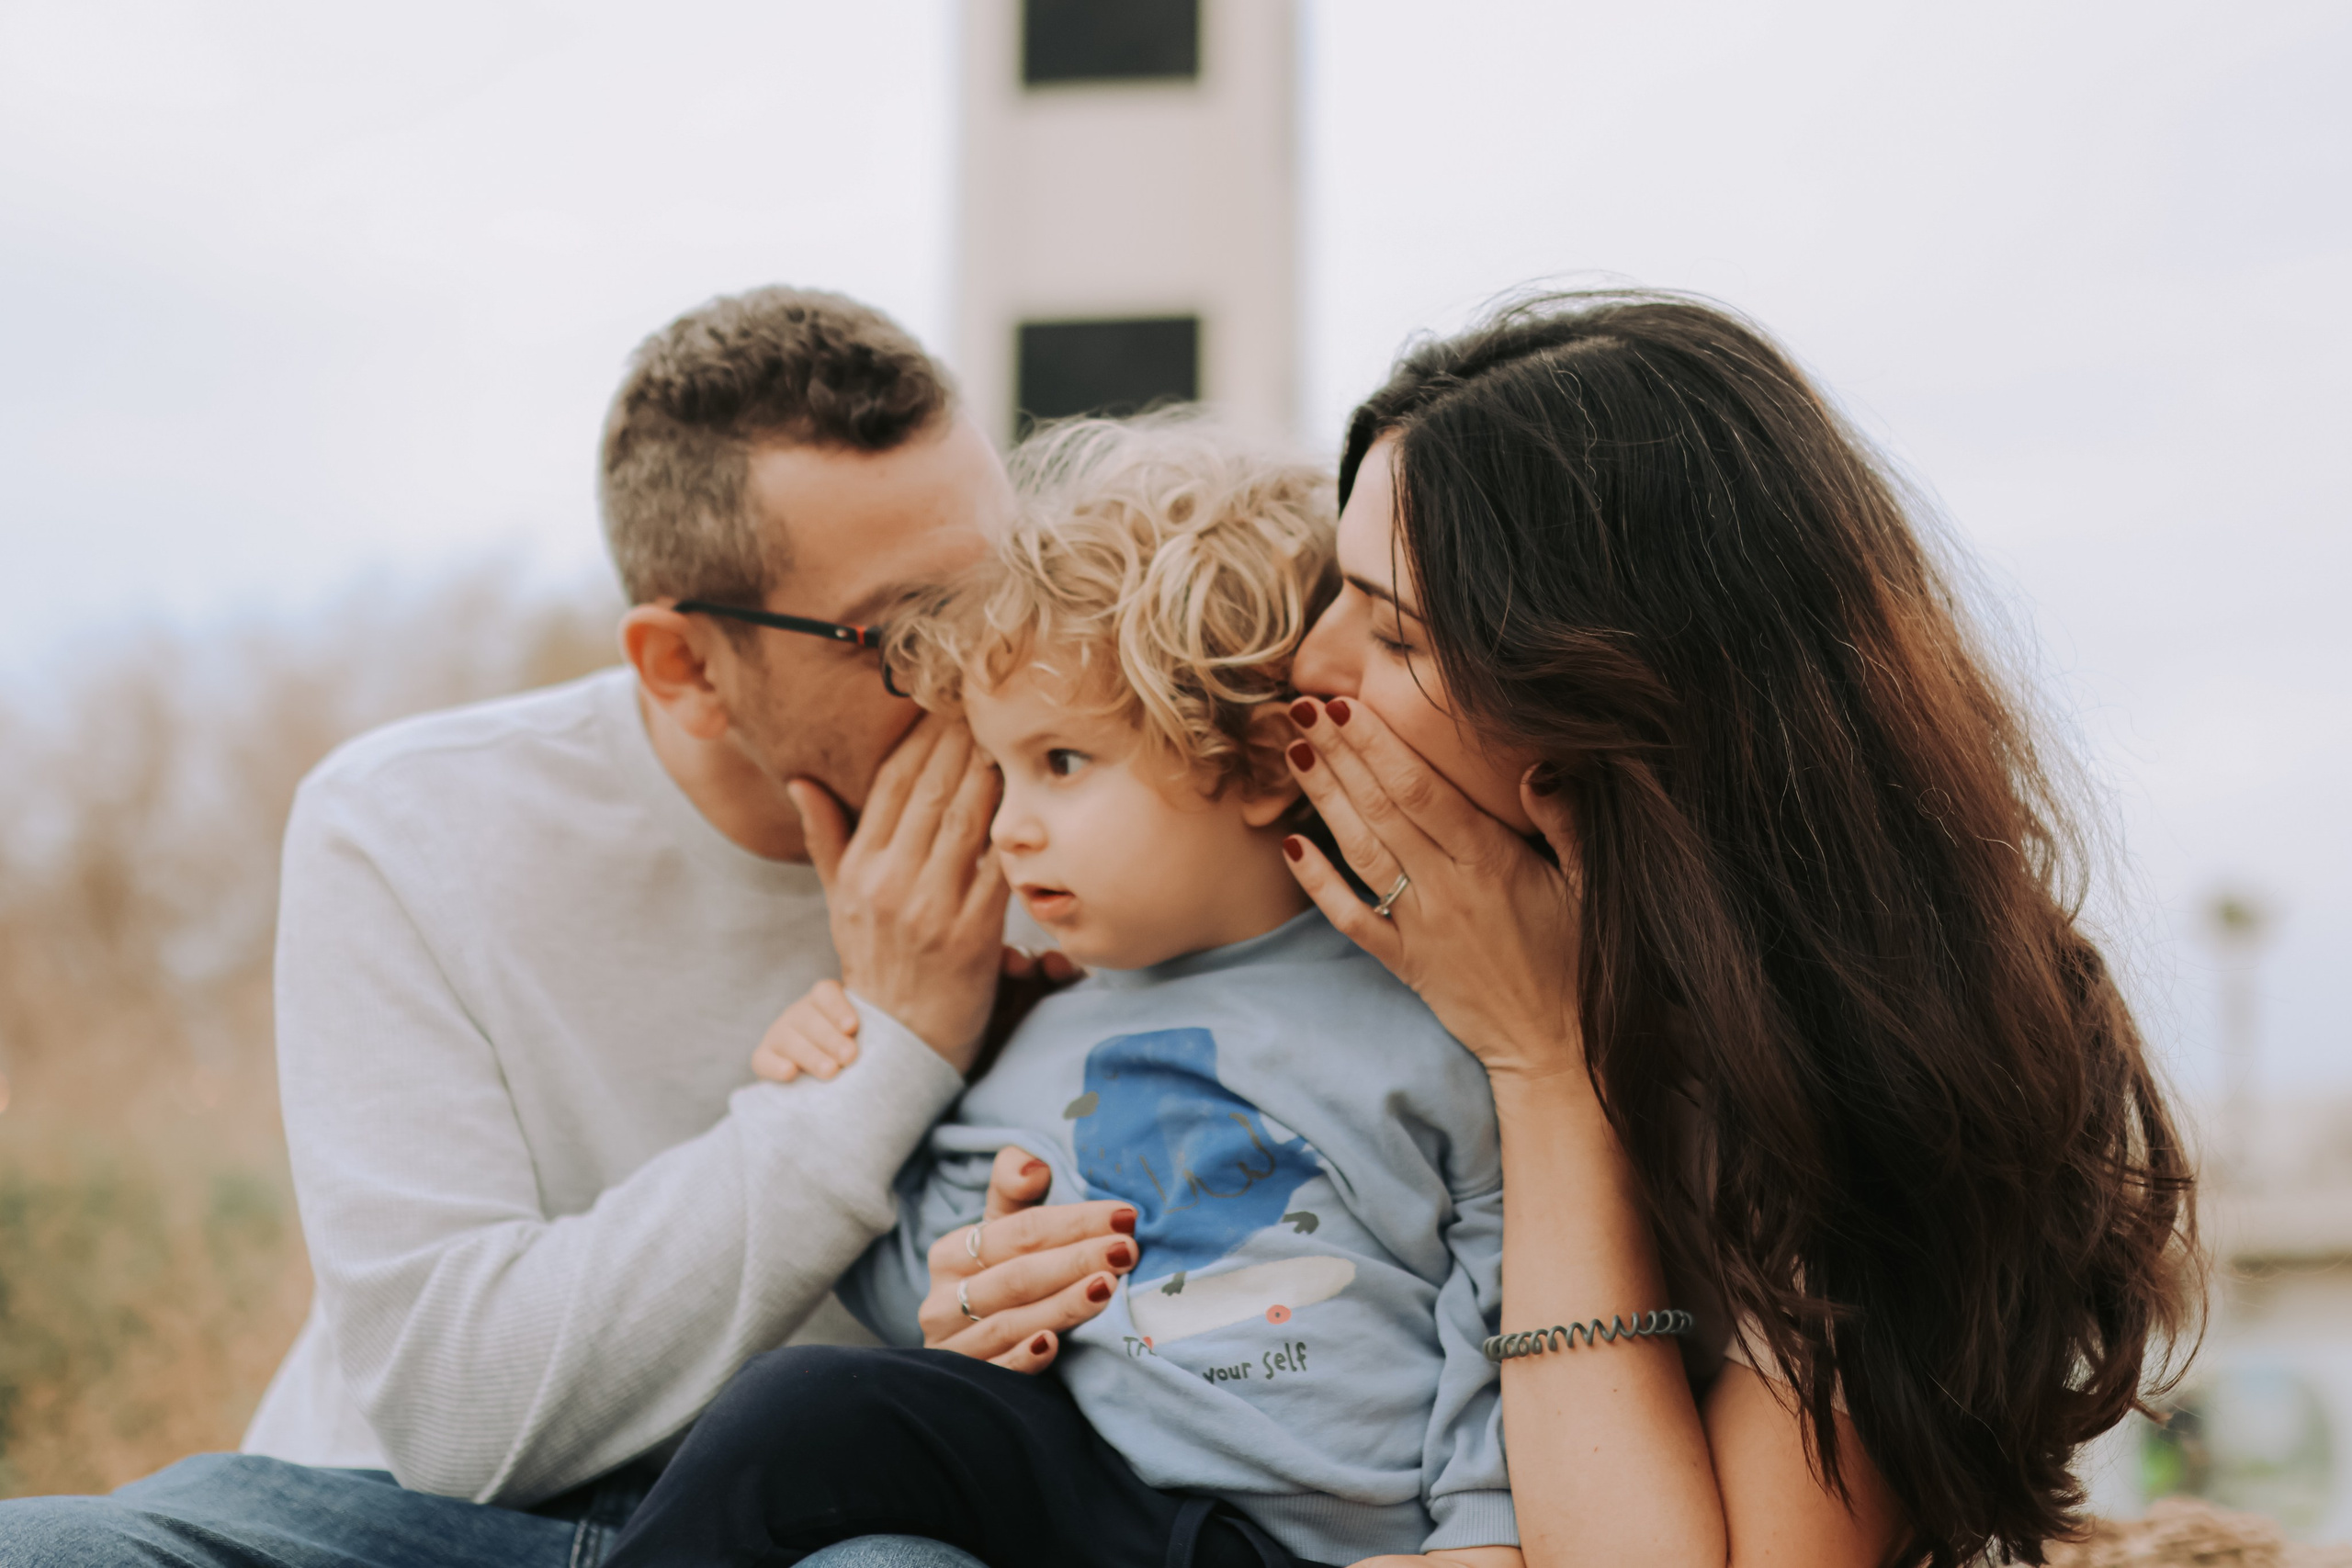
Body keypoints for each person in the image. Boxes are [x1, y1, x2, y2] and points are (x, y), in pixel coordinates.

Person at [938, 293, 2199, 1568]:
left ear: (1603, 697)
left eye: (1393, 628)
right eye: (1334, 587)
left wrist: (1545, 1068)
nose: (1306, 666)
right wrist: (1008, 1287)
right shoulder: (1307, 926)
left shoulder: (1868, 1066)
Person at [0, 288, 1125, 1568]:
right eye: (908, 630)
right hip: (409, 1518)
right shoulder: (409, 823)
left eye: (1000, 590)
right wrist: (897, 1044)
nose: (982, 668)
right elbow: (458, 1413)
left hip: (826, 1523)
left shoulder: (1101, 830)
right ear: (684, 666)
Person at [600, 414, 1523, 1568]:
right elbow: (916, 1295)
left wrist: (1483, 1535)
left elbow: (1506, 1297)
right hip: (1085, 1506)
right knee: (802, 1407)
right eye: (996, 768)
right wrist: (847, 1071)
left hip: (1318, 1549)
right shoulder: (1038, 1030)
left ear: (1247, 759)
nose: (1006, 822)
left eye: (1062, 764)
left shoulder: (1430, 1004)